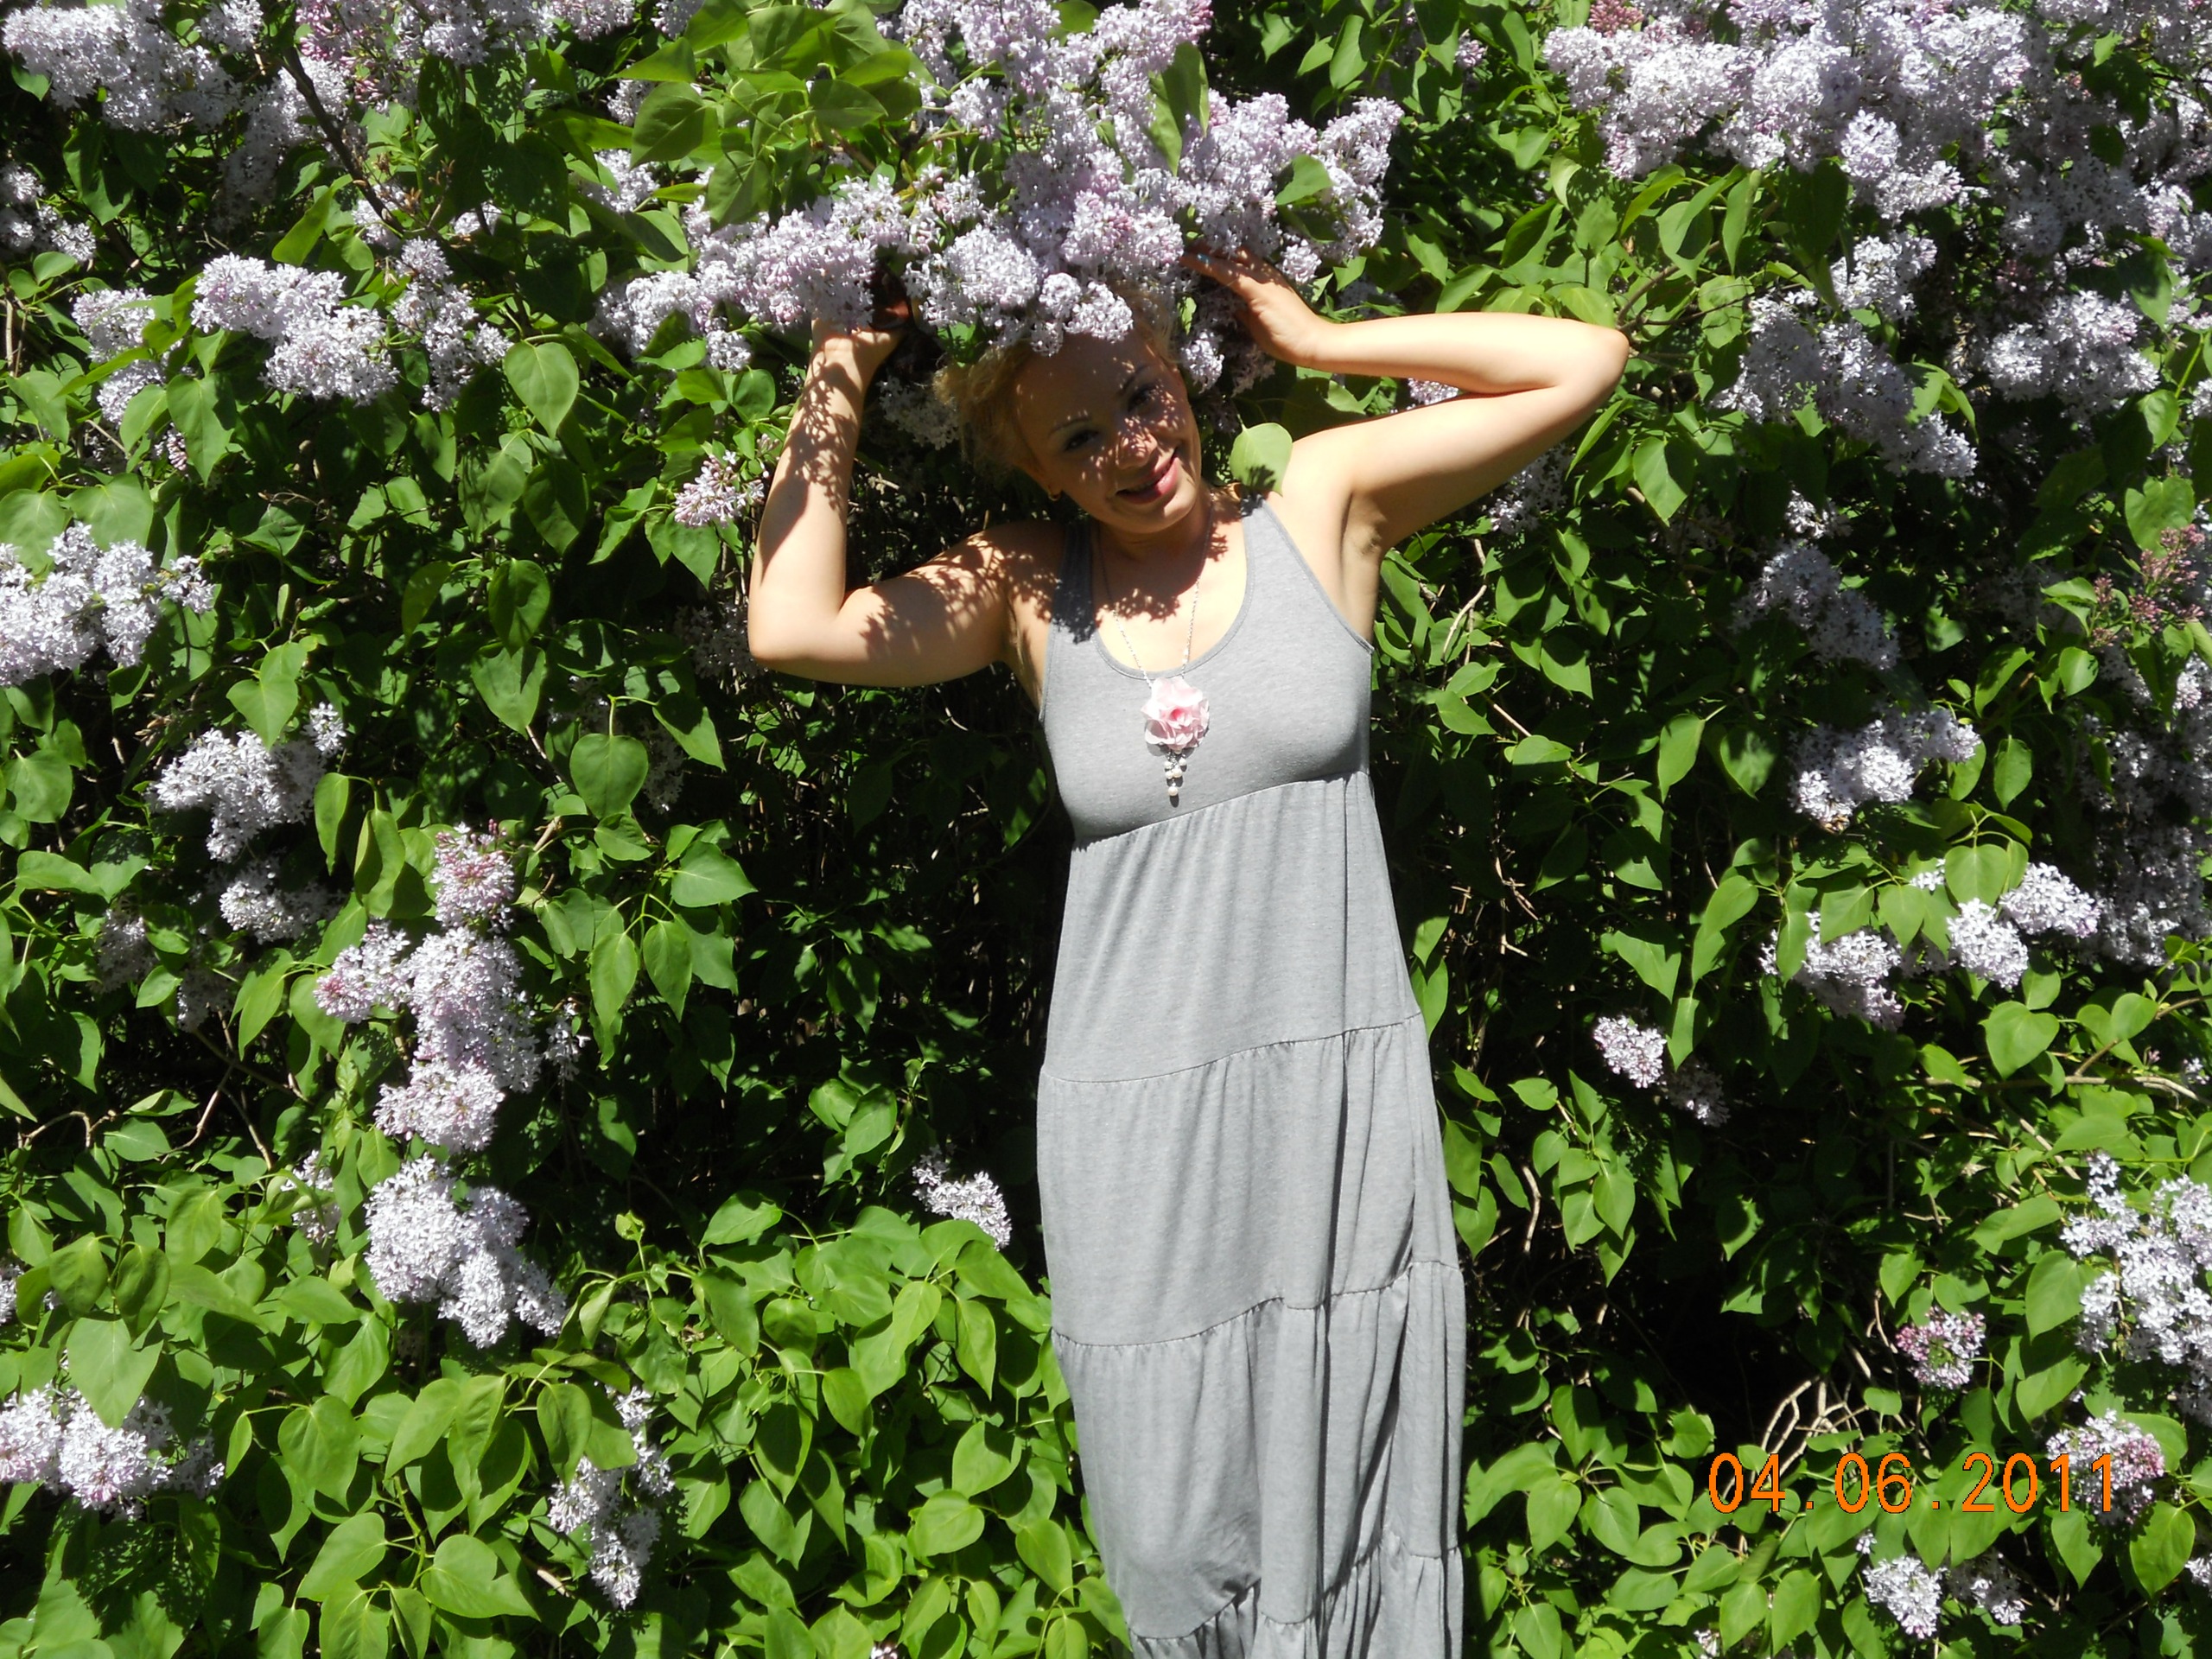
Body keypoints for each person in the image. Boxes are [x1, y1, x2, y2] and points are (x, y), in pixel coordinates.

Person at [747, 249, 1631, 1658]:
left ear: (1181, 368)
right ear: (1036, 470)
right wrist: (839, 366)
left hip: (1330, 1104)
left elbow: (1585, 361)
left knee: (1350, 1477)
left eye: (1140, 397)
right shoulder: (1028, 586)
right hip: (1136, 1129)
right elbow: (792, 626)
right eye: (1077, 437)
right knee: (1169, 1538)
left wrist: (1322, 340)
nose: (1129, 447)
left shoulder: (1322, 506)